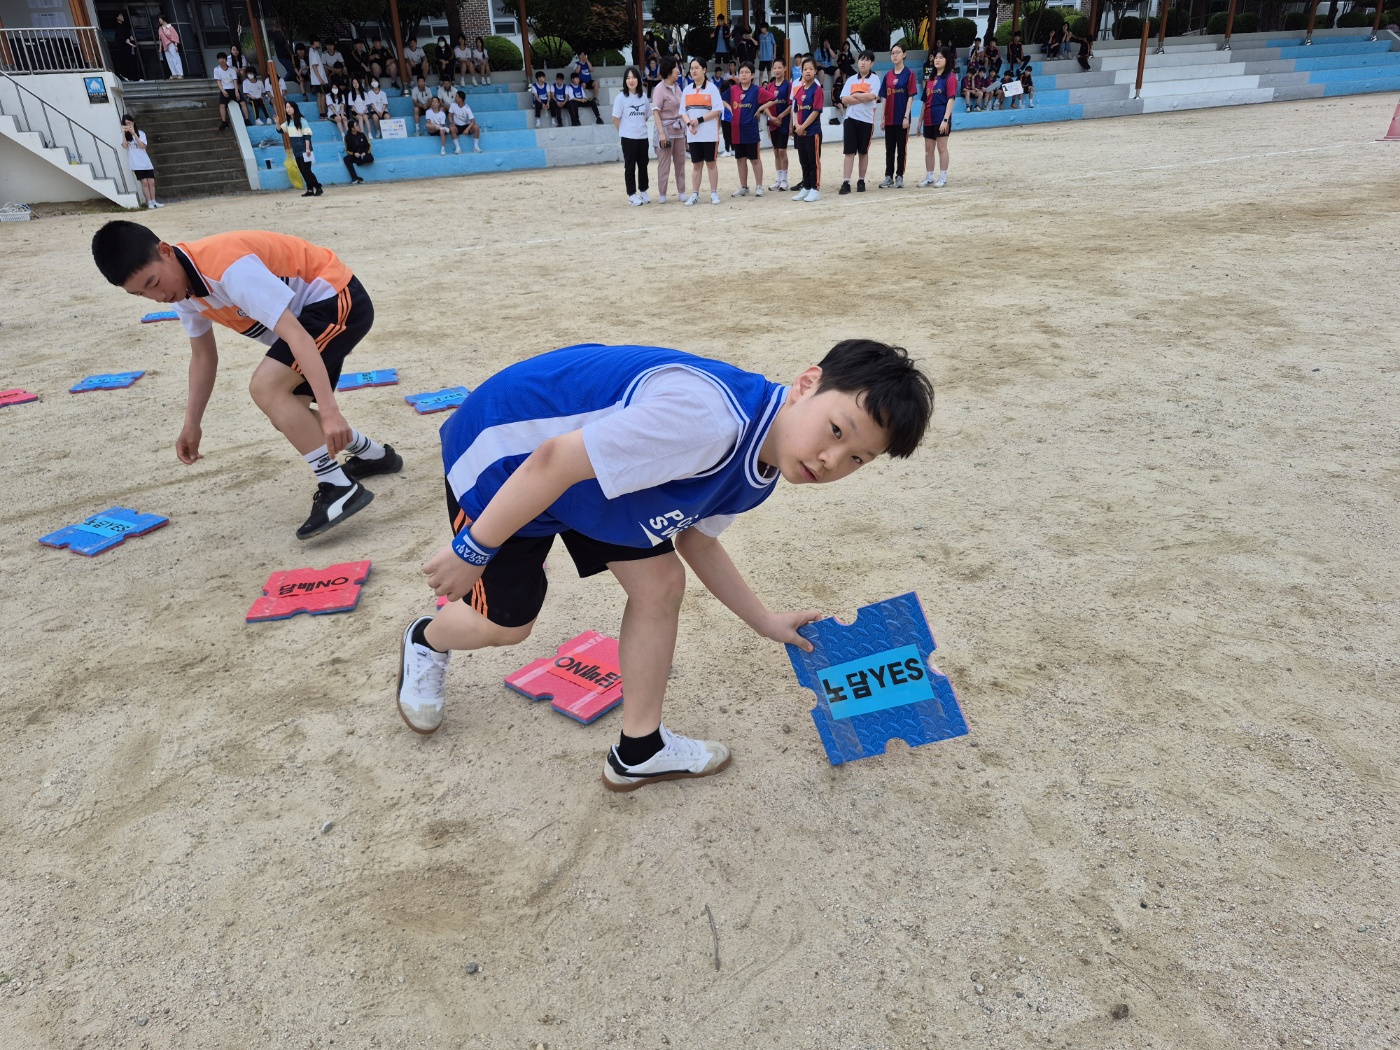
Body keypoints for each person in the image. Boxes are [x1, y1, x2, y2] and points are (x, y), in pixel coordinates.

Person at [393, 339, 935, 793]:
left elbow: (696, 544)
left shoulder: (763, 463)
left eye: (857, 459)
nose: (831, 461)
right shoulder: (706, 422)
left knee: (661, 583)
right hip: (507, 456)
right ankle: (428, 639)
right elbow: (553, 459)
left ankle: (639, 749)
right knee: (505, 626)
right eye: (837, 431)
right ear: (806, 383)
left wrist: (764, 621)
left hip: (592, 476)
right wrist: (475, 547)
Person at [91, 221, 402, 540]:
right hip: (310, 317)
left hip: (337, 300)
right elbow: (203, 356)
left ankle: (338, 485)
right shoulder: (181, 290)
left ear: (166, 251)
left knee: (266, 388)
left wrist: (330, 409)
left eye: (153, 282)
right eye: (141, 294)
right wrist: (191, 423)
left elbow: (297, 334)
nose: (156, 297)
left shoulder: (227, 269)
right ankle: (373, 455)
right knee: (288, 415)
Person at [682, 57, 724, 206]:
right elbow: (683, 112)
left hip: (709, 135)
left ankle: (713, 193)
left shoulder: (712, 89)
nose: (693, 70)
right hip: (693, 136)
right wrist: (689, 123)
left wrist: (699, 120)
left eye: (696, 67)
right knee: (696, 165)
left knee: (711, 164)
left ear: (704, 70)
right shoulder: (687, 90)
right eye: (692, 68)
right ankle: (695, 194)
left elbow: (718, 110)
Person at [838, 49, 879, 195]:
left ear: (871, 63)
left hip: (867, 120)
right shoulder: (851, 80)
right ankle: (846, 182)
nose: (863, 62)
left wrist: (855, 95)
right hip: (851, 120)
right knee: (849, 152)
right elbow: (844, 99)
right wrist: (862, 96)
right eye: (861, 59)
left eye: (867, 60)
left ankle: (861, 180)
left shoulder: (874, 79)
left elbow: (872, 97)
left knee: (863, 152)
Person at [877, 42, 918, 189]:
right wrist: (882, 117)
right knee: (889, 149)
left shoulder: (909, 74)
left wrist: (906, 116)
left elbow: (910, 96)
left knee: (901, 148)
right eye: (892, 53)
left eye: (898, 52)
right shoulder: (887, 76)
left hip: (902, 118)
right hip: (889, 118)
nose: (894, 55)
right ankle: (888, 176)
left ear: (904, 54)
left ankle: (899, 175)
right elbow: (884, 97)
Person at [613, 66, 652, 206]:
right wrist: (623, 132)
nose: (631, 80)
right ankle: (631, 194)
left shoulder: (643, 97)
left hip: (642, 137)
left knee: (643, 165)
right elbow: (616, 118)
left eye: (633, 77)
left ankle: (643, 191)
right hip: (628, 138)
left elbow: (646, 115)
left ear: (638, 79)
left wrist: (637, 127)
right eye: (628, 78)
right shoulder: (621, 98)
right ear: (625, 81)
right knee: (630, 166)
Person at [725, 62, 764, 198]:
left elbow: (773, 98)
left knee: (755, 159)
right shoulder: (733, 89)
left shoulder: (756, 90)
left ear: (752, 75)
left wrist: (759, 109)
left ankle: (759, 186)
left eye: (747, 72)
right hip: (737, 131)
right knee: (740, 159)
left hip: (751, 131)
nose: (744, 74)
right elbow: (722, 99)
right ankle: (743, 187)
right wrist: (730, 109)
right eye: (741, 72)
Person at [651, 57, 687, 204]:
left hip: (679, 131)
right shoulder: (659, 89)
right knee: (664, 164)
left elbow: (683, 109)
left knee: (681, 162)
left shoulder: (678, 87)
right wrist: (661, 134)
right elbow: (656, 112)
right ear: (669, 70)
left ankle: (682, 191)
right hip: (666, 130)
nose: (678, 70)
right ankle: (663, 193)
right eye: (676, 68)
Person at [920, 50, 956, 188]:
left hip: (941, 117)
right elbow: (925, 101)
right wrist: (919, 122)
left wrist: (945, 119)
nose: (937, 60)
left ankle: (943, 177)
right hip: (928, 118)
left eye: (941, 57)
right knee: (928, 150)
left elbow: (951, 99)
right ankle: (929, 176)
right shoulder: (930, 79)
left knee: (942, 148)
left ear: (947, 60)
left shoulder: (950, 77)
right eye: (936, 57)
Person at [790, 57, 823, 203]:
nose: (807, 71)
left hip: (812, 132)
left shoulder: (817, 90)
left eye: (810, 69)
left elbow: (815, 111)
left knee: (813, 161)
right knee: (803, 161)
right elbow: (796, 110)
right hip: (800, 132)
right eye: (805, 69)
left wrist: (803, 127)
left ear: (815, 71)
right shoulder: (799, 90)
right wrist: (797, 126)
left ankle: (815, 189)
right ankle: (806, 186)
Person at [756, 57, 791, 192]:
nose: (777, 70)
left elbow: (791, 104)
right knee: (776, 151)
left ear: (785, 68)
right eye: (774, 68)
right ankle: (778, 179)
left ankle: (785, 180)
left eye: (779, 67)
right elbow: (766, 105)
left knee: (782, 150)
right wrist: (771, 117)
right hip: (772, 123)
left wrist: (781, 116)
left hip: (784, 122)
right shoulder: (769, 86)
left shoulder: (788, 85)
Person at [279, 100, 322, 196]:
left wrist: (307, 149)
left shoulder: (302, 120)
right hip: (297, 150)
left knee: (307, 170)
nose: (288, 109)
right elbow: (280, 130)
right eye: (286, 107)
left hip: (304, 150)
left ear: (295, 108)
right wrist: (277, 122)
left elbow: (307, 135)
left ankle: (318, 187)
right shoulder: (288, 122)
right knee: (302, 171)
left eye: (290, 107)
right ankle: (310, 189)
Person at [120, 115, 162, 209]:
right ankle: (149, 202)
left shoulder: (141, 133)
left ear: (133, 122)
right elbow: (125, 146)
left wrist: (134, 134)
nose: (128, 125)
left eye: (129, 123)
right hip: (135, 163)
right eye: (126, 124)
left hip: (145, 161)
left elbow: (142, 146)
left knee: (151, 182)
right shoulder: (123, 135)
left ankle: (154, 201)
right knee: (144, 182)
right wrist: (123, 133)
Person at [213, 52, 241, 129]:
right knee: (222, 105)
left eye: (223, 58)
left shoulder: (232, 69)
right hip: (224, 89)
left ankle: (247, 119)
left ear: (226, 59)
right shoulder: (216, 69)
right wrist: (222, 90)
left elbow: (235, 80)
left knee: (242, 102)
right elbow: (218, 81)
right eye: (220, 59)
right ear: (218, 60)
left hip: (233, 88)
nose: (222, 60)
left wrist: (236, 91)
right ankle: (224, 122)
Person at [112, 12, 142, 81]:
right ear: (117, 18)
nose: (122, 17)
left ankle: (133, 77)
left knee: (132, 61)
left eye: (122, 15)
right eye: (120, 16)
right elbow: (121, 37)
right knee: (128, 61)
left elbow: (128, 34)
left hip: (129, 46)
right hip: (125, 47)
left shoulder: (124, 25)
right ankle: (128, 76)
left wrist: (132, 39)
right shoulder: (118, 26)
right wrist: (130, 43)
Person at [342, 117, 373, 183]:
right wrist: (354, 153)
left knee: (370, 158)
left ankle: (358, 161)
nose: (358, 126)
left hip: (364, 154)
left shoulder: (362, 135)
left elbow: (369, 146)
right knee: (346, 159)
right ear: (352, 129)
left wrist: (365, 152)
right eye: (356, 125)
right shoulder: (347, 137)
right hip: (355, 155)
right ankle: (354, 177)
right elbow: (347, 150)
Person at [832, 41, 855, 124]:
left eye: (847, 46)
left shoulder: (850, 54)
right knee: (844, 70)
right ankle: (843, 117)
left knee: (854, 74)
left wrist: (852, 59)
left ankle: (850, 116)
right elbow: (839, 62)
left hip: (848, 67)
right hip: (843, 67)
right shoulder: (841, 54)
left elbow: (852, 61)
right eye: (844, 46)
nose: (846, 47)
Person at [308, 38, 328, 117]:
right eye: (318, 41)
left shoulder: (313, 51)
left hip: (317, 79)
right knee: (322, 95)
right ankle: (323, 113)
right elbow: (314, 66)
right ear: (314, 41)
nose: (319, 43)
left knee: (320, 95)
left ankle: (322, 114)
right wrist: (320, 79)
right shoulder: (312, 52)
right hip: (318, 79)